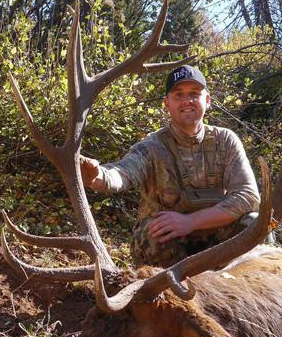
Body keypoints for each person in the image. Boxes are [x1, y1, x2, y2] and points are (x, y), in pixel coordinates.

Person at [80, 65, 262, 267]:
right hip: (169, 245)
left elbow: (248, 196)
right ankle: (161, 293)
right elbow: (123, 173)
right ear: (167, 103)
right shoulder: (151, 147)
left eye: (194, 94)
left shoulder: (225, 140)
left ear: (207, 100)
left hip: (214, 241)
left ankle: (250, 291)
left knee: (254, 224)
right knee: (156, 234)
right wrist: (98, 177)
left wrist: (190, 222)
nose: (187, 101)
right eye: (178, 95)